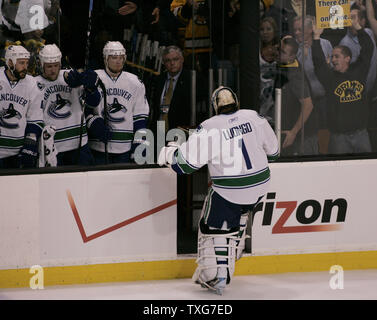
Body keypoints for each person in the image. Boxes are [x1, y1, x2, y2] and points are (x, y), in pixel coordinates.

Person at [158, 86, 279, 295]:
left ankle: (218, 273)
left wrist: (169, 155)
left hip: (230, 190)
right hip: (260, 186)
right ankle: (237, 244)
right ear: (237, 102)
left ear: (215, 106)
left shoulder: (209, 126)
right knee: (240, 209)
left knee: (211, 224)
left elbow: (185, 166)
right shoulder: (254, 117)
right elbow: (274, 152)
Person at [312, 13, 374, 154]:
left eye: (337, 56)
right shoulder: (329, 78)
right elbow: (319, 64)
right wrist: (316, 38)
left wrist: (357, 27)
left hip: (361, 134)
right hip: (339, 137)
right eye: (332, 56)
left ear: (347, 58)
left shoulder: (359, 71)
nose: (333, 59)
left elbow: (368, 49)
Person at [35, 44, 101, 166]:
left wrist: (90, 87)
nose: (53, 70)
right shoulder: (34, 84)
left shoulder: (71, 76)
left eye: (56, 65)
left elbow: (94, 102)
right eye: (49, 66)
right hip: (53, 148)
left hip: (79, 145)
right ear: (41, 65)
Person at [87, 41, 149, 164]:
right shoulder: (94, 77)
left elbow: (140, 117)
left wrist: (138, 145)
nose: (118, 61)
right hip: (98, 146)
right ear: (105, 59)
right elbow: (82, 108)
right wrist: (92, 122)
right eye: (114, 57)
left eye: (121, 58)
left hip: (124, 148)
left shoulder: (135, 82)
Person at [293, 15, 333, 153]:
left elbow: (331, 71)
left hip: (325, 99)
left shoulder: (325, 44)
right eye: (295, 30)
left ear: (310, 30)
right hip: (306, 102)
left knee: (326, 135)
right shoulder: (295, 50)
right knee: (310, 137)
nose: (296, 33)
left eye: (300, 29)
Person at [0, 45, 44, 169]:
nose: (25, 67)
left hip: (17, 152)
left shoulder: (32, 83)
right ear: (9, 62)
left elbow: (35, 118)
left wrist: (29, 146)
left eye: (26, 63)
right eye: (21, 63)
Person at [277, 36, 318, 156]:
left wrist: (294, 132)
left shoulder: (295, 75)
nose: (278, 54)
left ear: (292, 56)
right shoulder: (291, 63)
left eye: (283, 52)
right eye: (279, 49)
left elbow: (308, 105)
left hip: (303, 137)